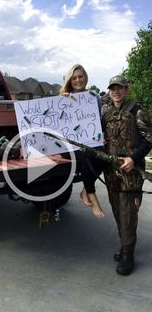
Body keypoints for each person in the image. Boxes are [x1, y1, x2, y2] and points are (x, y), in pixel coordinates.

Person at [102, 75, 152, 275]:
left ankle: (128, 254)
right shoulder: (106, 110)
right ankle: (125, 246)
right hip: (110, 169)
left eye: (120, 88)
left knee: (128, 212)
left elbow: (149, 140)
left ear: (127, 89)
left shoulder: (137, 110)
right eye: (113, 88)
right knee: (116, 208)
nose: (116, 91)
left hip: (130, 170)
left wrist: (134, 158)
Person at [60, 64, 105, 218]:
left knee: (104, 155)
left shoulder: (94, 97)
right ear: (70, 81)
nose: (78, 80)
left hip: (90, 142)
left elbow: (99, 121)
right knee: (88, 154)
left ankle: (85, 190)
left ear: (85, 78)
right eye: (74, 78)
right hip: (68, 147)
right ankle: (92, 195)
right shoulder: (63, 97)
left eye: (80, 76)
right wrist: (63, 102)